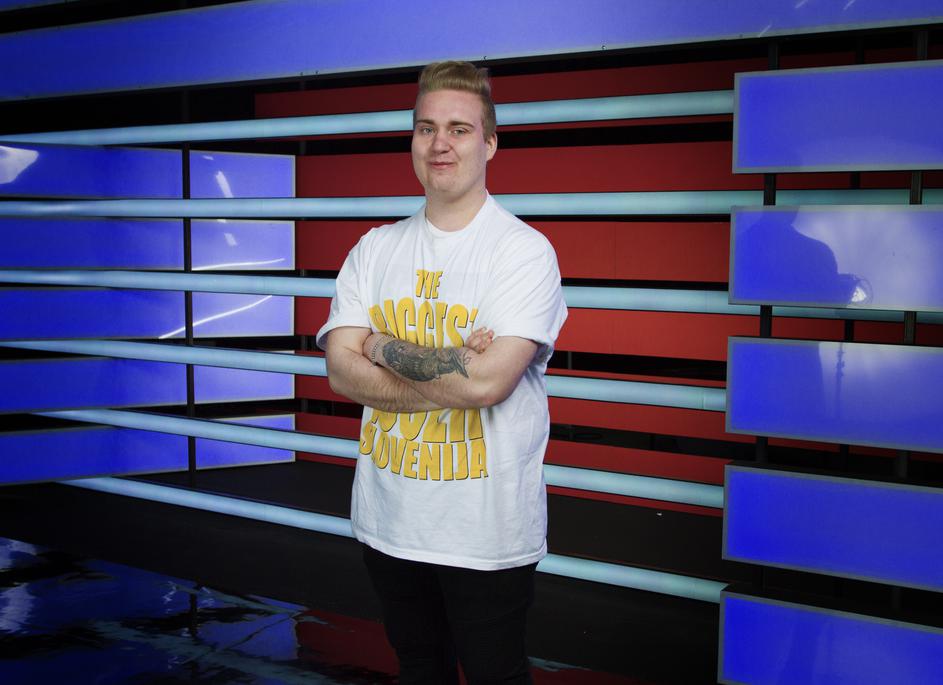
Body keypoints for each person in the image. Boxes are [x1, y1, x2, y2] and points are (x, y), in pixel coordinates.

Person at [316, 60, 567, 684]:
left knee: (495, 675)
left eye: (459, 129)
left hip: (485, 534)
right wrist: (455, 367)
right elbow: (339, 373)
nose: (440, 144)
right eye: (426, 128)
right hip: (389, 519)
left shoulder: (522, 252)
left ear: (490, 143)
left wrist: (378, 345)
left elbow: (488, 384)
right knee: (418, 670)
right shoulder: (375, 248)